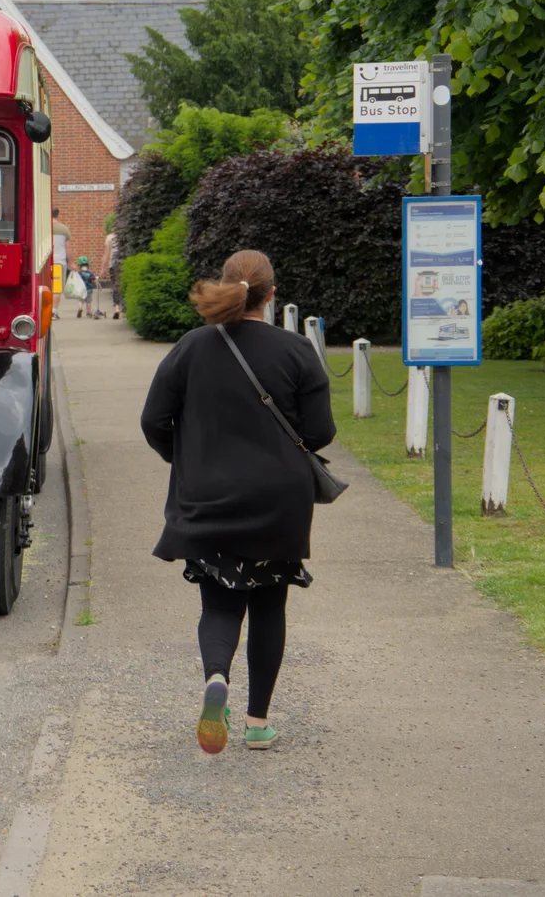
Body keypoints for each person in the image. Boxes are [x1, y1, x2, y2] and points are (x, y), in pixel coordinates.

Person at [139, 250, 336, 755]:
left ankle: (215, 680)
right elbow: (320, 433)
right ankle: (257, 723)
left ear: (227, 287)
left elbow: (154, 421)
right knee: (270, 602)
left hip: (208, 498)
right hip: (279, 501)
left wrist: (185, 460)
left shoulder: (191, 347)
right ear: (271, 295)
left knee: (220, 602)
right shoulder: (296, 351)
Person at [51, 208, 71, 319]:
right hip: (59, 262)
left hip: (45, 262)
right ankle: (54, 311)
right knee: (56, 289)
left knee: (45, 287)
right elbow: (68, 248)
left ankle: (44, 311)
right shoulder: (64, 230)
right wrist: (71, 263)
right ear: (58, 214)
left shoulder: (44, 228)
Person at [101, 224, 122, 319]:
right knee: (123, 286)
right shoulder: (123, 237)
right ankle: (125, 309)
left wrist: (103, 269)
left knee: (115, 286)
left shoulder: (109, 238)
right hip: (124, 264)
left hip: (113, 265)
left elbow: (106, 254)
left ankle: (117, 308)